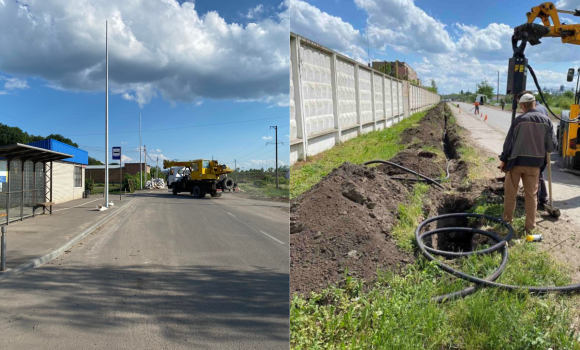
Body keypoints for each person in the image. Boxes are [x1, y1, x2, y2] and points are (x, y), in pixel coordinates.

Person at [500, 93, 557, 232]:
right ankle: (530, 227)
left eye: (520, 106)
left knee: (510, 194)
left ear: (524, 105)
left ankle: (507, 222)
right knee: (531, 196)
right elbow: (552, 146)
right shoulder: (547, 121)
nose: (520, 108)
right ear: (534, 104)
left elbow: (509, 143)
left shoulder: (519, 121)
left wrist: (503, 159)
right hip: (534, 165)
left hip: (516, 163)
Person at [516, 90, 550, 209]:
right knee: (539, 173)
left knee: (536, 175)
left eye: (520, 105)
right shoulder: (543, 108)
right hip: (542, 149)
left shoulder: (534, 113)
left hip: (536, 150)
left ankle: (539, 200)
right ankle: (543, 198)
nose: (521, 108)